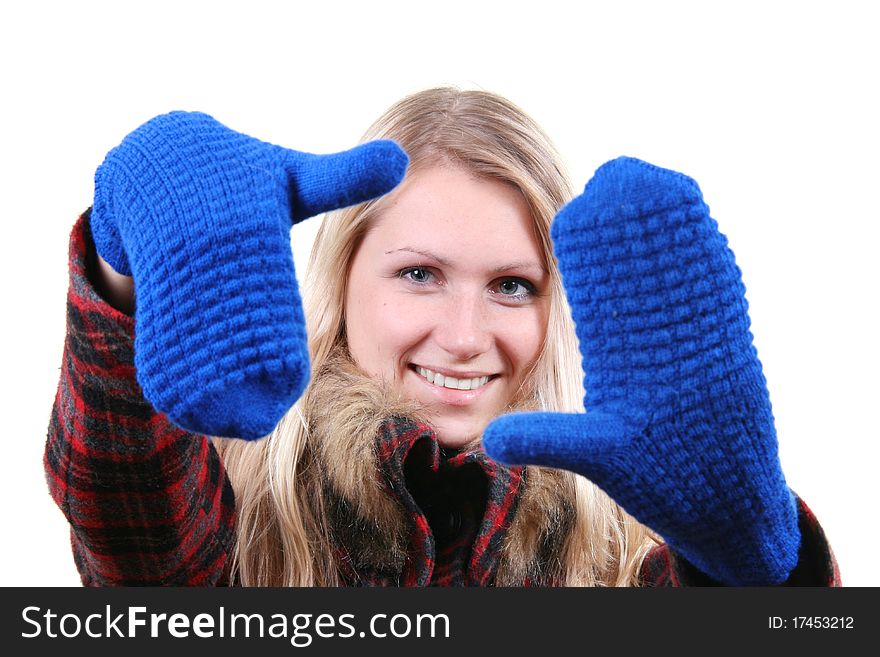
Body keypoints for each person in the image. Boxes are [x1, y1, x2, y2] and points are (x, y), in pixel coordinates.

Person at [45, 87, 839, 587]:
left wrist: (760, 568)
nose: (464, 337)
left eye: (511, 286)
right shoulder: (243, 516)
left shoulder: (625, 559)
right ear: (342, 278)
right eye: (420, 273)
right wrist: (125, 271)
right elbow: (129, 522)